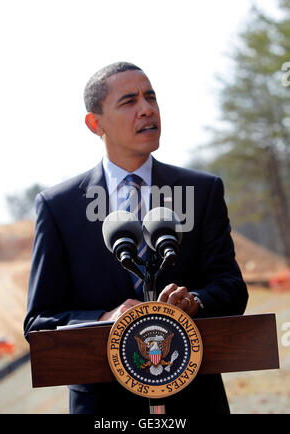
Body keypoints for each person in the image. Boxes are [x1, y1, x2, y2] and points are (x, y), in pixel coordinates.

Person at [23, 62, 248, 414]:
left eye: (151, 97)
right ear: (95, 124)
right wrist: (104, 318)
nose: (147, 109)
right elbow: (39, 322)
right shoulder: (58, 207)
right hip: (102, 406)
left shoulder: (201, 191)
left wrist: (195, 302)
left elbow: (232, 288)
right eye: (129, 101)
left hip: (193, 399)